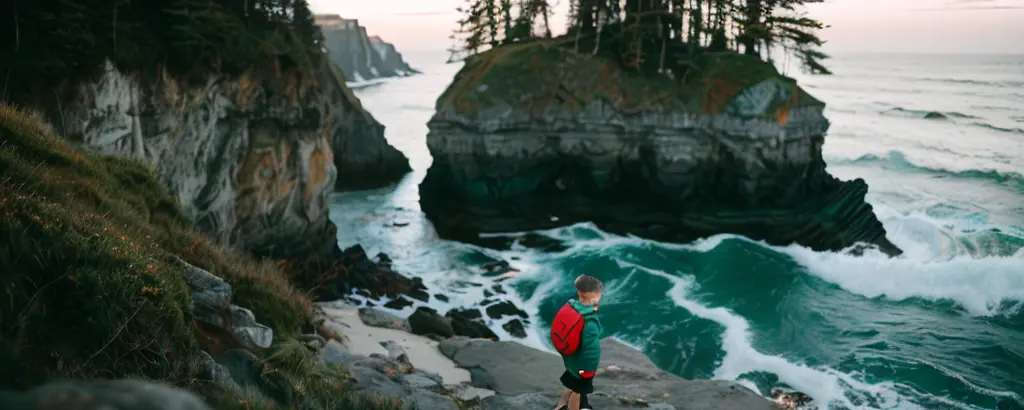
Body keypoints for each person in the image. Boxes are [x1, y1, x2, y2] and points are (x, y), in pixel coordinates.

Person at [550, 275, 604, 410]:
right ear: (595, 297)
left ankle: (560, 406)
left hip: (570, 359)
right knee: (578, 391)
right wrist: (589, 370)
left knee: (570, 383)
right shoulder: (589, 321)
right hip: (582, 364)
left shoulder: (571, 307)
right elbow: (591, 350)